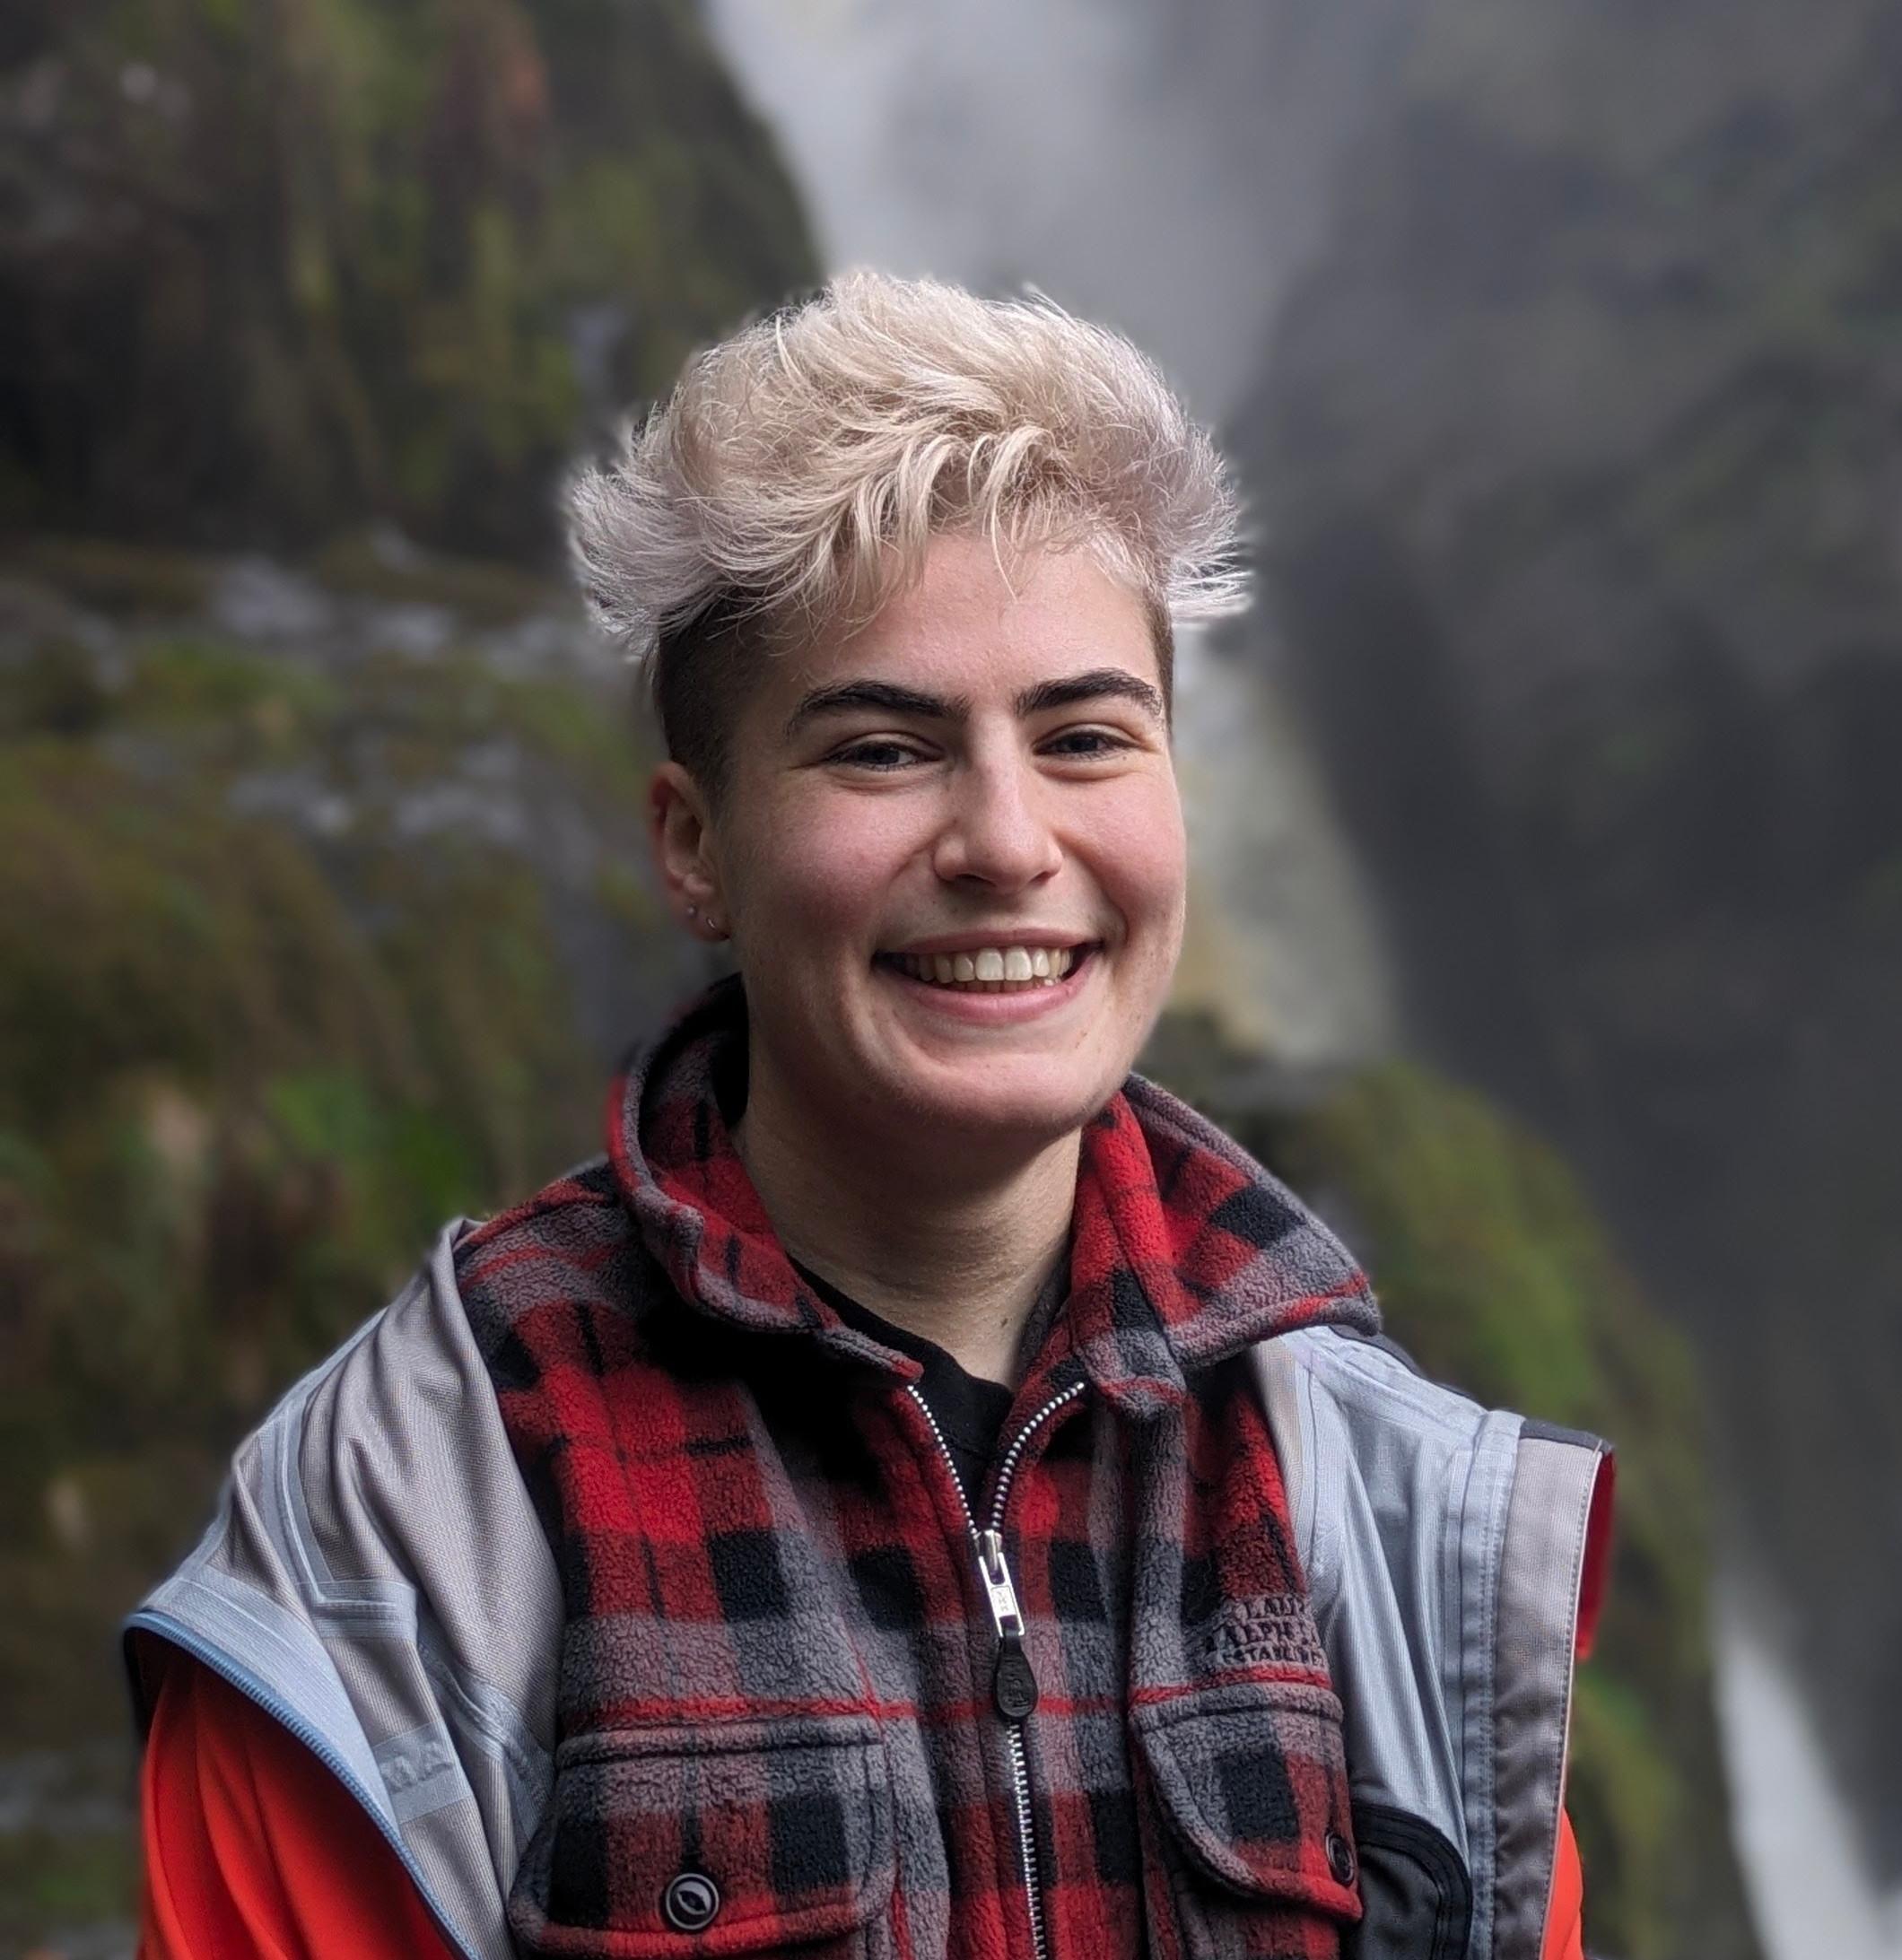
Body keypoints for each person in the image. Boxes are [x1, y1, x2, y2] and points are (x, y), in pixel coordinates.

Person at [129, 270, 1604, 1959]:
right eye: (886, 748)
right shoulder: (405, 1519)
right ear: (694, 844)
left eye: (1086, 736)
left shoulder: (1381, 1491)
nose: (1005, 837)